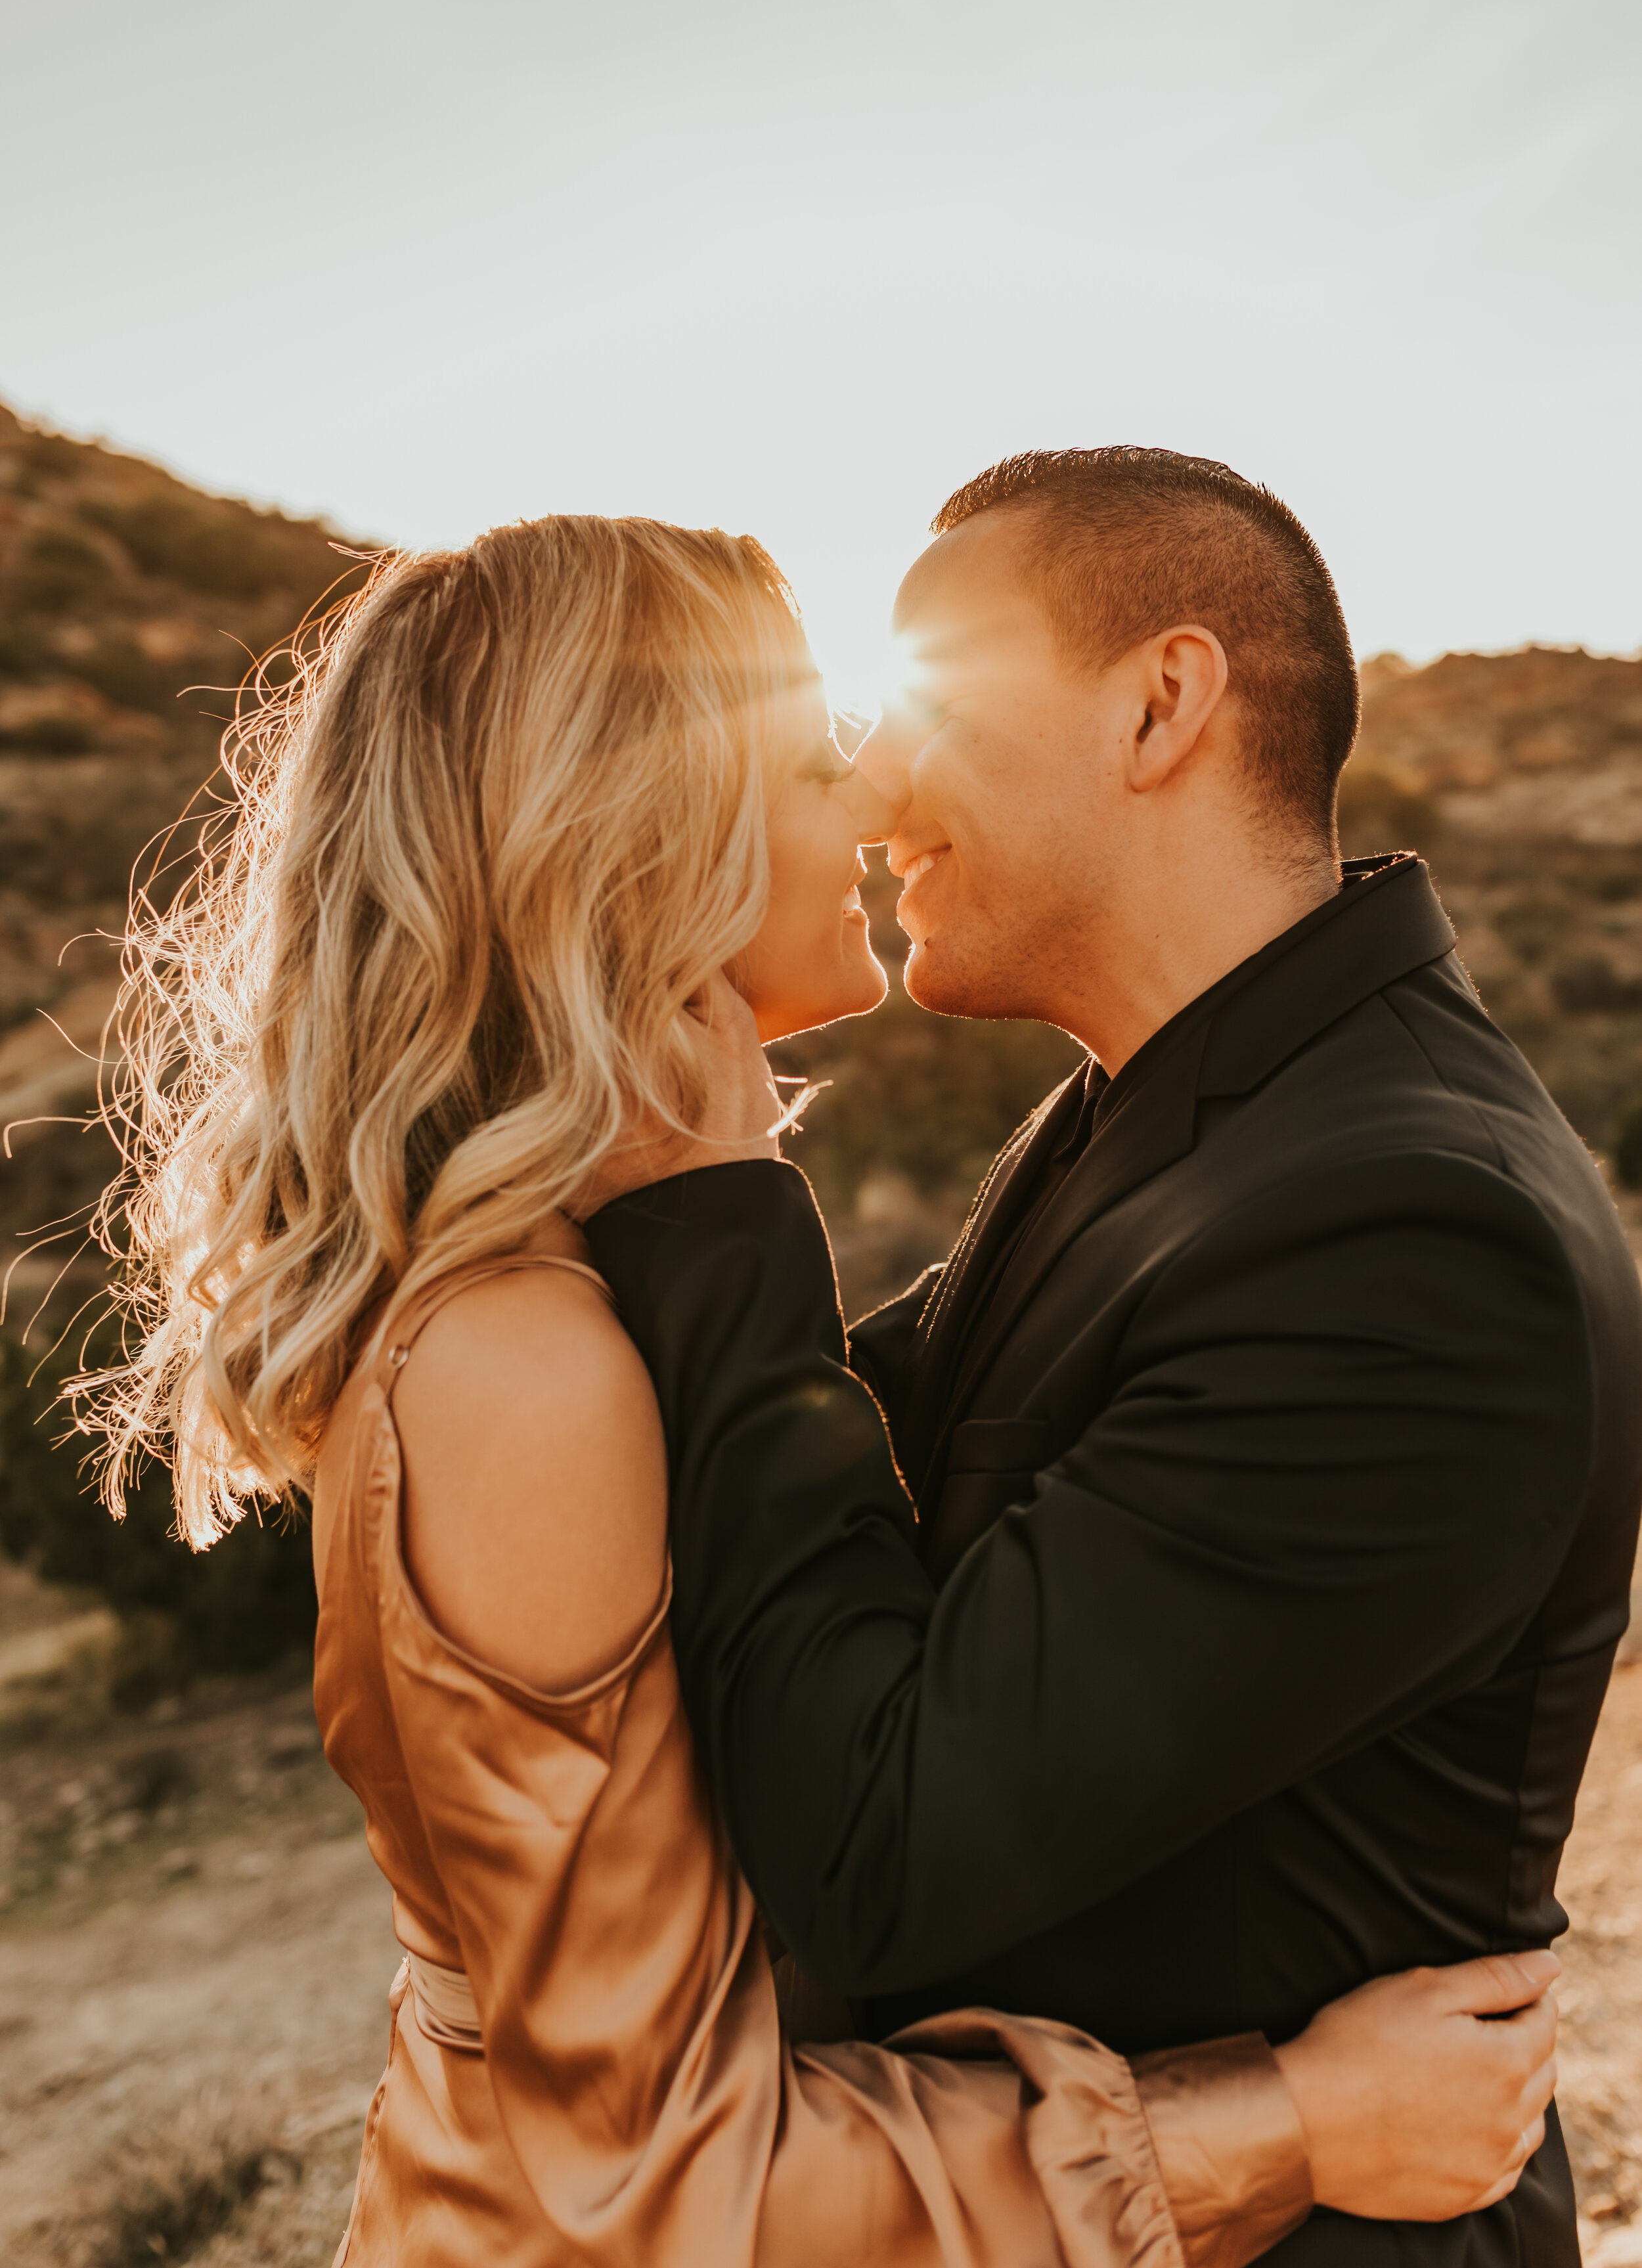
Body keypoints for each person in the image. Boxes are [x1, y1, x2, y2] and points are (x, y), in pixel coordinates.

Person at [80, 512, 1557, 2267]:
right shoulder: (524, 1361)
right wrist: (1284, 2122)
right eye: (800, 752)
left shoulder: (576, 1292)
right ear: (624, 828)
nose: (863, 801)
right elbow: (656, 2179)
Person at [584, 451, 1642, 2268]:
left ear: (1159, 704)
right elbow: (838, 1480)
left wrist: (713, 1195)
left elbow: (871, 1852)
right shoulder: (1175, 1115)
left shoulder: (1407, 1231)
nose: (869, 778)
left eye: (930, 699)